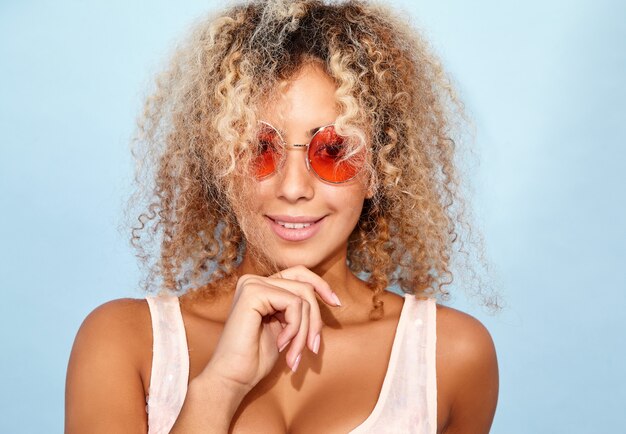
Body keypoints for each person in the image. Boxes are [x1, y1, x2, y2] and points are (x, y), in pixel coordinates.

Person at [65, 0, 499, 432]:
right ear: (222, 166)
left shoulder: (452, 355)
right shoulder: (124, 343)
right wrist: (220, 385)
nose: (293, 188)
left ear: (377, 172)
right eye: (260, 148)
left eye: (333, 150)